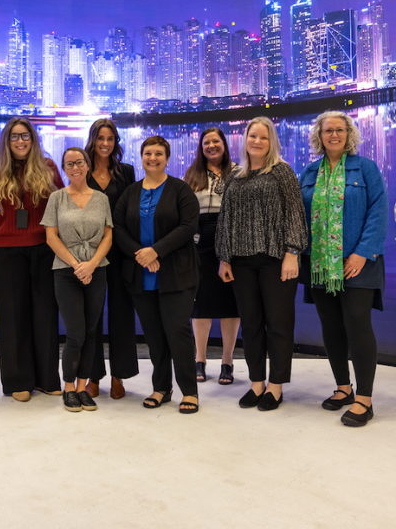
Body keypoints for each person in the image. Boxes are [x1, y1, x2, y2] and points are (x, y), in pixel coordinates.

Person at [300, 111, 388, 427]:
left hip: (357, 264)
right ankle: (343, 388)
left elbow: (379, 211)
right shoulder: (309, 172)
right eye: (328, 131)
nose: (333, 135)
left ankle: (364, 399)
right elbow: (299, 219)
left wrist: (362, 253)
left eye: (339, 130)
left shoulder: (365, 168)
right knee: (332, 326)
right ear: (319, 136)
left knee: (356, 323)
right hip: (320, 265)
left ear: (348, 134)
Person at [216, 117, 308, 411]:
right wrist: (224, 257)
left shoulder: (282, 172)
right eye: (252, 136)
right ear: (245, 140)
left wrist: (292, 253)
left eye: (263, 138)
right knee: (252, 324)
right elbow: (225, 219)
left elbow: (296, 214)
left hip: (276, 261)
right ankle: (257, 383)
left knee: (279, 324)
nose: (256, 141)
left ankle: (276, 386)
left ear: (272, 143)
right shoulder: (235, 176)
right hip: (241, 262)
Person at [114, 136, 201, 414]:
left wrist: (157, 251)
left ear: (167, 157)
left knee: (178, 330)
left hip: (176, 274)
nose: (153, 158)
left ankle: (189, 391)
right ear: (142, 157)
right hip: (141, 275)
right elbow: (117, 227)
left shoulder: (180, 189)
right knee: (154, 335)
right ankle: (161, 387)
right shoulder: (131, 192)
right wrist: (141, 253)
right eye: (148, 153)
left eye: (159, 154)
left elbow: (188, 226)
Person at [0, 118, 63, 402]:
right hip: (6, 250)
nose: (20, 141)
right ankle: (19, 380)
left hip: (43, 247)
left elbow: (61, 204)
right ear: (7, 140)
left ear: (33, 138)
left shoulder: (49, 168)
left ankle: (47, 378)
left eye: (25, 136)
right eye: (14, 137)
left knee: (45, 313)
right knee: (13, 315)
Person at [42, 148, 113, 412]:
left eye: (79, 162)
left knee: (92, 332)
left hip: (97, 270)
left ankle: (83, 388)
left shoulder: (101, 198)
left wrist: (92, 264)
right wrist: (77, 265)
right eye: (69, 164)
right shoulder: (57, 198)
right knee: (75, 333)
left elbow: (108, 235)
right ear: (64, 168)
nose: (75, 167)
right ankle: (69, 388)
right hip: (65, 271)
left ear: (87, 165)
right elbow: (51, 237)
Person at [84, 119, 138, 400]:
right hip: (90, 254)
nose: (106, 143)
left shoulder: (126, 172)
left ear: (116, 142)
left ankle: (119, 374)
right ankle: (93, 376)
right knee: (91, 315)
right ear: (92, 139)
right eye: (101, 138)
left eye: (111, 138)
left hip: (120, 253)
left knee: (121, 314)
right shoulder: (82, 170)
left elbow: (132, 212)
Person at [184, 127, 241, 385]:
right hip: (199, 243)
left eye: (215, 141)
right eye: (206, 142)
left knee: (231, 304)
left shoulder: (239, 172)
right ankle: (200, 359)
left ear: (224, 144)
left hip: (231, 241)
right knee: (201, 304)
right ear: (201, 147)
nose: (211, 146)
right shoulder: (192, 174)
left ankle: (227, 362)